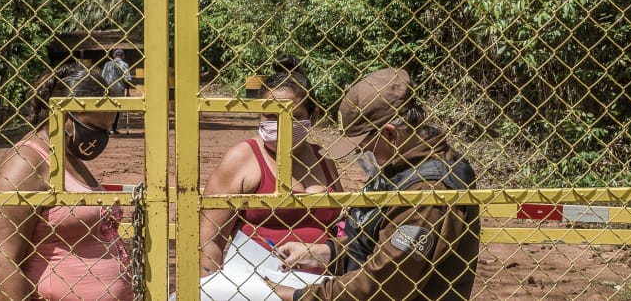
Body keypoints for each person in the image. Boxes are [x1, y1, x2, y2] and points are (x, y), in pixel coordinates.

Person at [264, 68, 481, 301]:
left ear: (389, 135)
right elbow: (374, 238)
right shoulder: (399, 164)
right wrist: (324, 253)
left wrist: (298, 296)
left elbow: (386, 280)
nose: (360, 154)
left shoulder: (428, 191)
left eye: (363, 146)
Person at [0, 63, 133, 301]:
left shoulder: (67, 155)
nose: (99, 138)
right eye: (93, 127)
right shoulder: (26, 161)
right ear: (61, 113)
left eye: (106, 129)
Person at [200, 56, 342, 277]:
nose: (281, 126)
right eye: (271, 116)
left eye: (294, 117)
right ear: (260, 113)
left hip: (323, 288)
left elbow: (341, 228)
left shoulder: (324, 159)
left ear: (313, 116)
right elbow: (211, 242)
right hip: (258, 284)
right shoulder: (243, 158)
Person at [101, 49, 133, 134]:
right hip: (119, 88)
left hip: (108, 87)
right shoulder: (124, 64)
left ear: (114, 56)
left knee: (108, 107)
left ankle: (107, 128)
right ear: (123, 56)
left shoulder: (107, 64)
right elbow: (127, 79)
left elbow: (103, 77)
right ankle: (114, 128)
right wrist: (128, 91)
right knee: (117, 107)